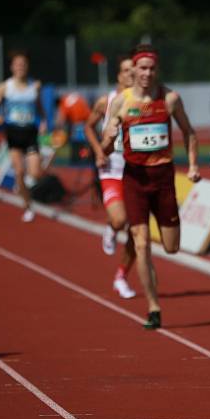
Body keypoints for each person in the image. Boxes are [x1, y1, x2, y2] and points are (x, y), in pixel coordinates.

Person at [100, 44, 201, 329]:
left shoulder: (169, 99)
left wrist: (193, 165)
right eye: (141, 68)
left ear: (157, 70)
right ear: (133, 70)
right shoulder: (120, 102)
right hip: (134, 179)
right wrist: (108, 139)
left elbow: (190, 133)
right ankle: (153, 306)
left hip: (163, 179)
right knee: (141, 243)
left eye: (151, 68)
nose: (146, 73)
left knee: (171, 247)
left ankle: (152, 277)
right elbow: (106, 149)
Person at [85, 56, 137, 299]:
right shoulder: (106, 101)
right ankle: (111, 227)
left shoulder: (143, 103)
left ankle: (121, 277)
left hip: (137, 174)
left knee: (139, 233)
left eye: (134, 71)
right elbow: (88, 126)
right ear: (119, 75)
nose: (131, 75)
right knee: (119, 220)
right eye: (126, 71)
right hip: (112, 171)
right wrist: (98, 152)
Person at [0, 51, 48, 222]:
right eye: (17, 64)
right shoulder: (5, 87)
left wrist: (43, 121)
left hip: (30, 132)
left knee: (35, 173)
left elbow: (40, 106)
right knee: (19, 171)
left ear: (27, 67)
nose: (20, 67)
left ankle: (22, 186)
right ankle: (28, 206)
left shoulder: (35, 85)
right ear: (12, 67)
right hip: (13, 132)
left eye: (23, 64)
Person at [56, 91, 92, 165]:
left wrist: (57, 130)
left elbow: (61, 120)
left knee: (77, 143)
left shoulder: (63, 103)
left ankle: (79, 159)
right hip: (88, 118)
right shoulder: (69, 97)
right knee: (85, 143)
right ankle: (85, 156)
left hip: (78, 123)